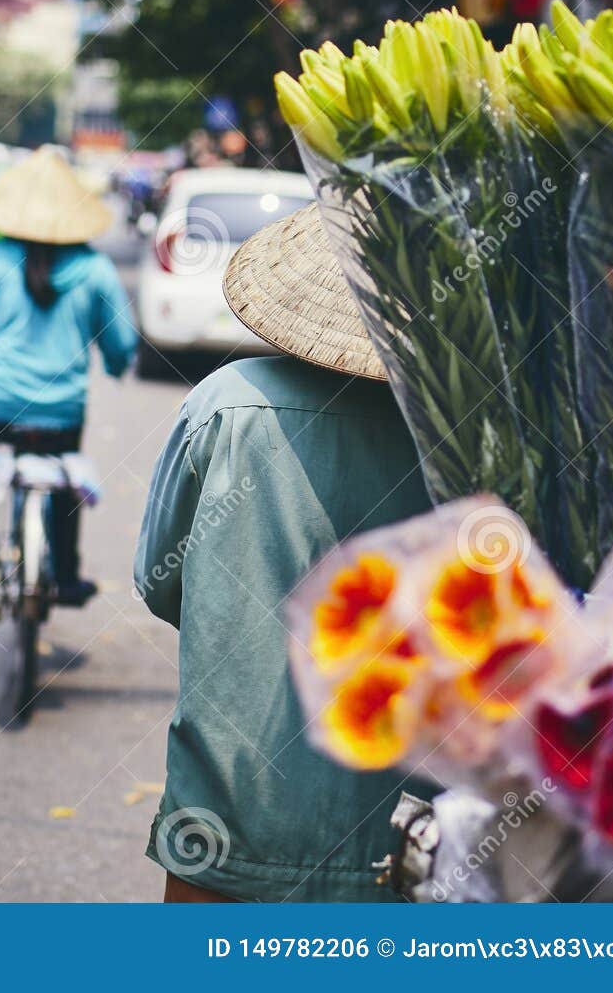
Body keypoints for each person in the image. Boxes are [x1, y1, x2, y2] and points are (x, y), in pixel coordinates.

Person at [134, 208, 433, 902]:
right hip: (412, 838)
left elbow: (161, 582)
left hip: (235, 822)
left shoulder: (226, 404)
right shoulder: (475, 430)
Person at [0, 149, 138, 607]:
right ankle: (65, 576)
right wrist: (117, 366)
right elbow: (121, 345)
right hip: (62, 410)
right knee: (65, 473)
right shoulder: (96, 270)